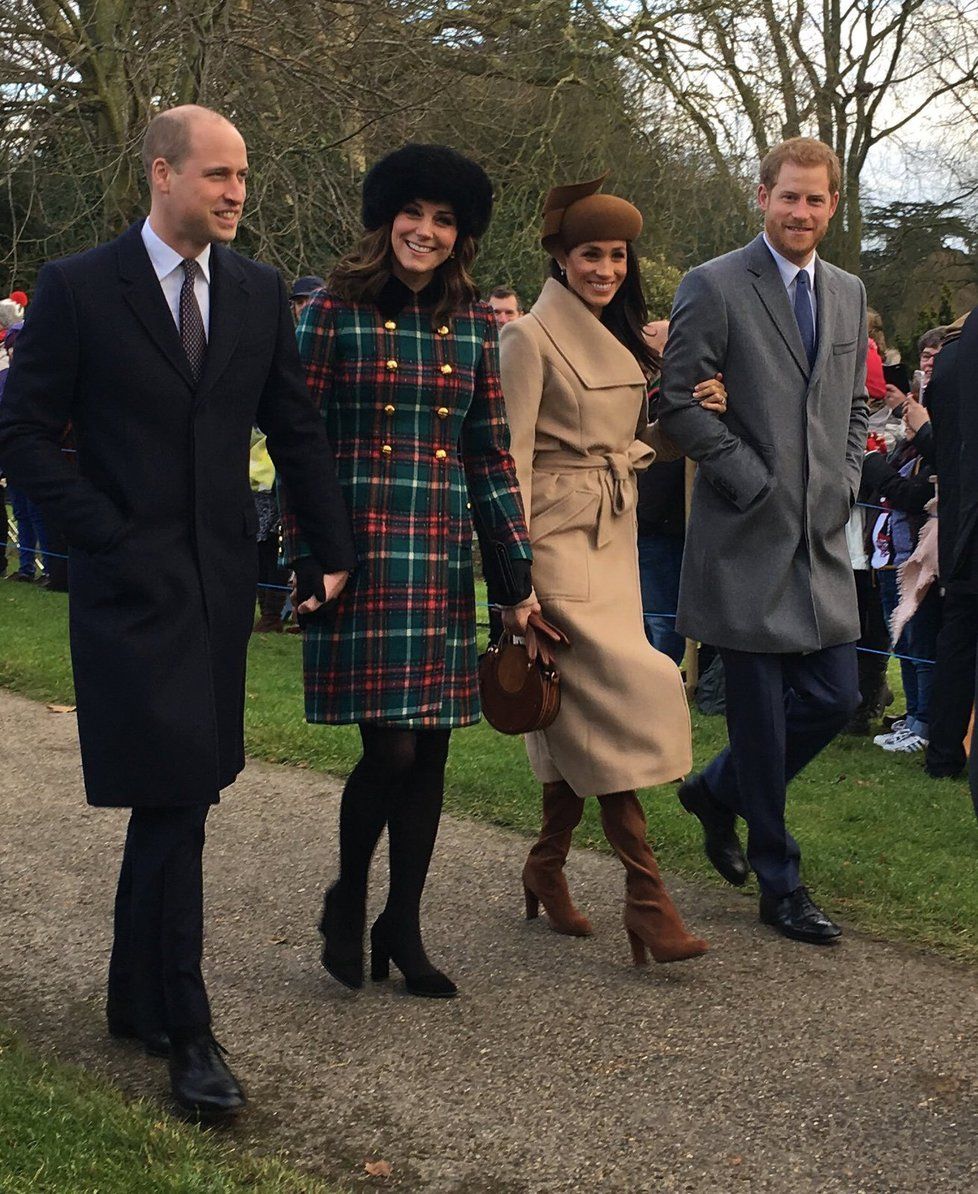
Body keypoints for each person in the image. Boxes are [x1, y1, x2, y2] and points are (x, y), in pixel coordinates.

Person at [0, 105, 355, 1117]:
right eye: (219, 174)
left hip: (218, 592)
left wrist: (331, 550)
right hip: (127, 592)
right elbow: (21, 435)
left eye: (244, 174)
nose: (238, 191)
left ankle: (131, 994)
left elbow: (294, 426)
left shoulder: (252, 291)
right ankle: (188, 1032)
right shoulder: (77, 287)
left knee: (185, 793)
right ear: (163, 174)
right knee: (173, 792)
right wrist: (106, 535)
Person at [284, 143, 533, 999]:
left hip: (435, 551)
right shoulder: (327, 312)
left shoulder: (474, 324)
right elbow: (297, 441)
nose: (425, 231)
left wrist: (515, 583)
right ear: (385, 218)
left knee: (429, 750)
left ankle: (406, 923)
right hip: (357, 554)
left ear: (461, 236)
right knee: (387, 747)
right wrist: (311, 556)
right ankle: (349, 897)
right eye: (413, 214)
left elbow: (489, 456)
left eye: (444, 220)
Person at [499, 175, 725, 965]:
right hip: (558, 548)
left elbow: (627, 448)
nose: (606, 268)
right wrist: (513, 587)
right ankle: (647, 899)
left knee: (574, 712)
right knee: (631, 693)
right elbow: (511, 463)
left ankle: (546, 866)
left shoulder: (615, 337)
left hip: (613, 539)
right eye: (591, 253)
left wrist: (688, 415)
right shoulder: (528, 338)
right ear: (560, 257)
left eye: (618, 255)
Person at [660, 137, 868, 946]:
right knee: (762, 722)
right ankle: (780, 881)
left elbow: (850, 405)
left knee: (836, 698)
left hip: (820, 543)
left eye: (817, 201)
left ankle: (715, 792)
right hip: (743, 538)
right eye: (789, 198)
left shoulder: (847, 292)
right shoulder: (713, 284)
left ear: (832, 205)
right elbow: (679, 402)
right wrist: (750, 478)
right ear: (762, 196)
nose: (802, 213)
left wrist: (844, 482)